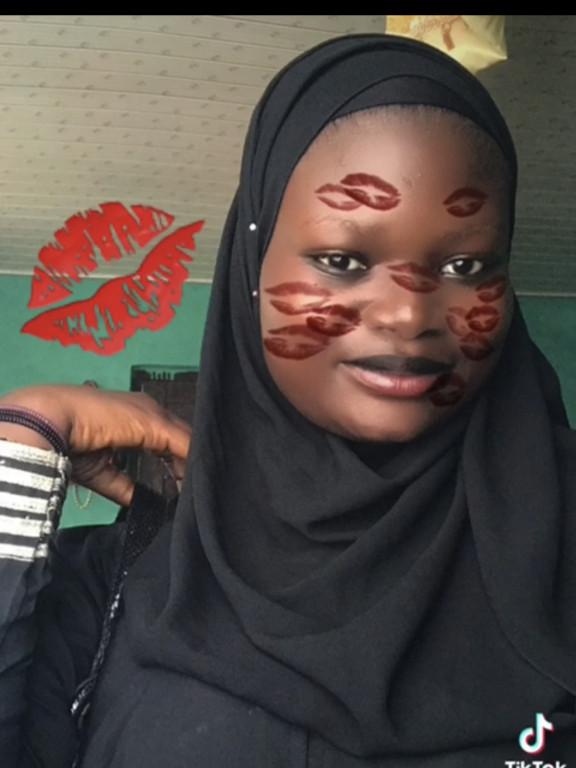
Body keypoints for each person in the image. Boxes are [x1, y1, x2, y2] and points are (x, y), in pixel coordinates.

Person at [2, 33, 576, 767]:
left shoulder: (559, 555)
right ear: (252, 268)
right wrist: (22, 439)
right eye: (342, 260)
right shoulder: (116, 584)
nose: (409, 314)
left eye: (466, 264)